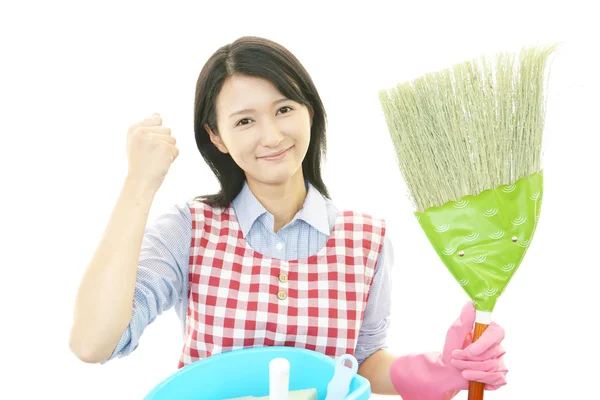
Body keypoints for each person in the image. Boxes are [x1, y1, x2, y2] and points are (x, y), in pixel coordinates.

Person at [69, 36, 508, 398]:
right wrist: (138, 184)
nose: (272, 136)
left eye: (284, 109)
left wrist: (437, 370)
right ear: (216, 136)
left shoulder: (366, 239)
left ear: (310, 112)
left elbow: (363, 360)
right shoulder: (191, 229)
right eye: (244, 121)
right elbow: (93, 342)